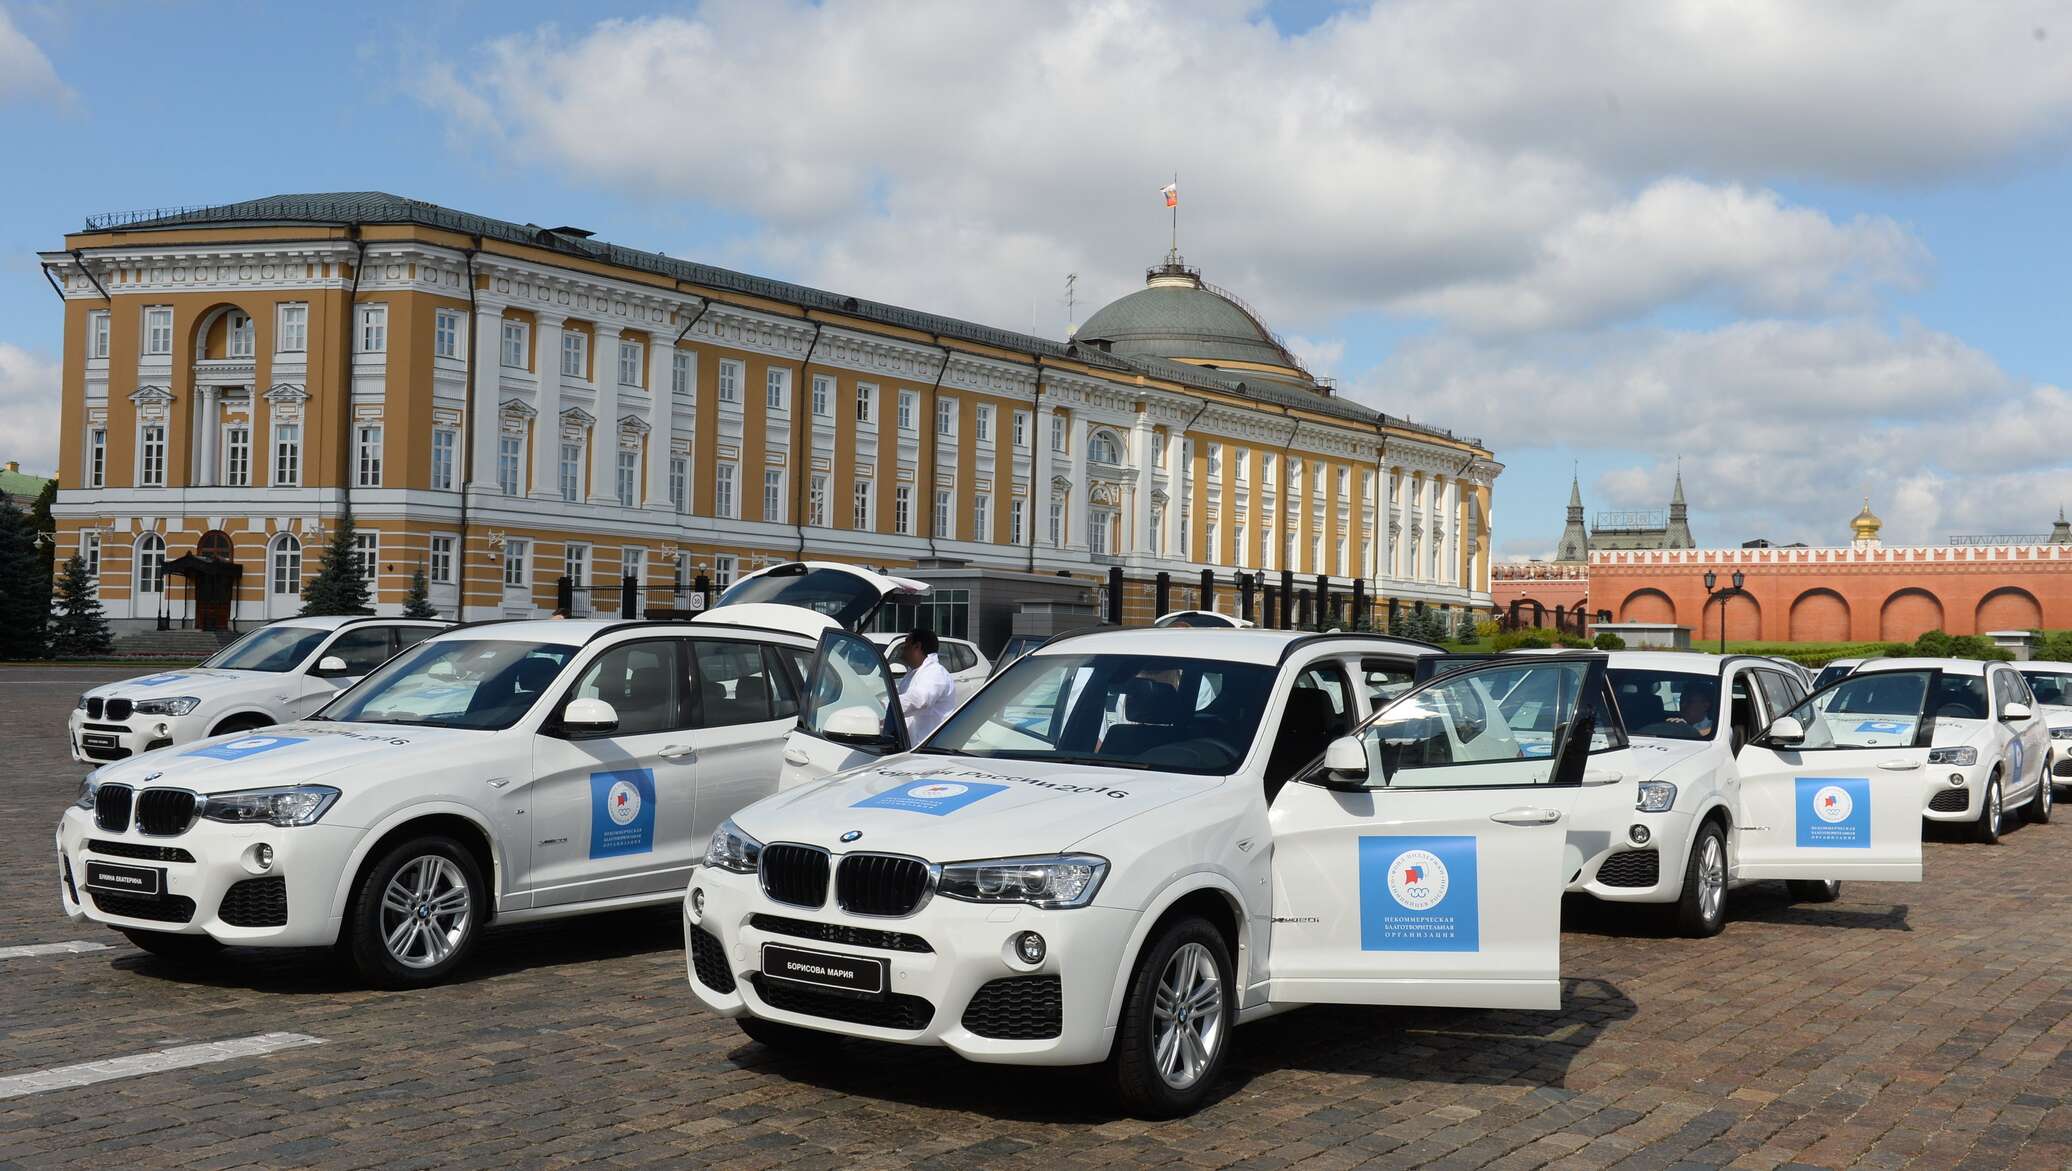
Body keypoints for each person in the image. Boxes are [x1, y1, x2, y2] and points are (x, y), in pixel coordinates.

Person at [894, 627, 957, 742]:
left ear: (917, 646)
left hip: (929, 749)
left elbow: (920, 699)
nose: (903, 648)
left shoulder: (935, 672)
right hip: (912, 746)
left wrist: (886, 707)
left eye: (906, 643)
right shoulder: (913, 673)